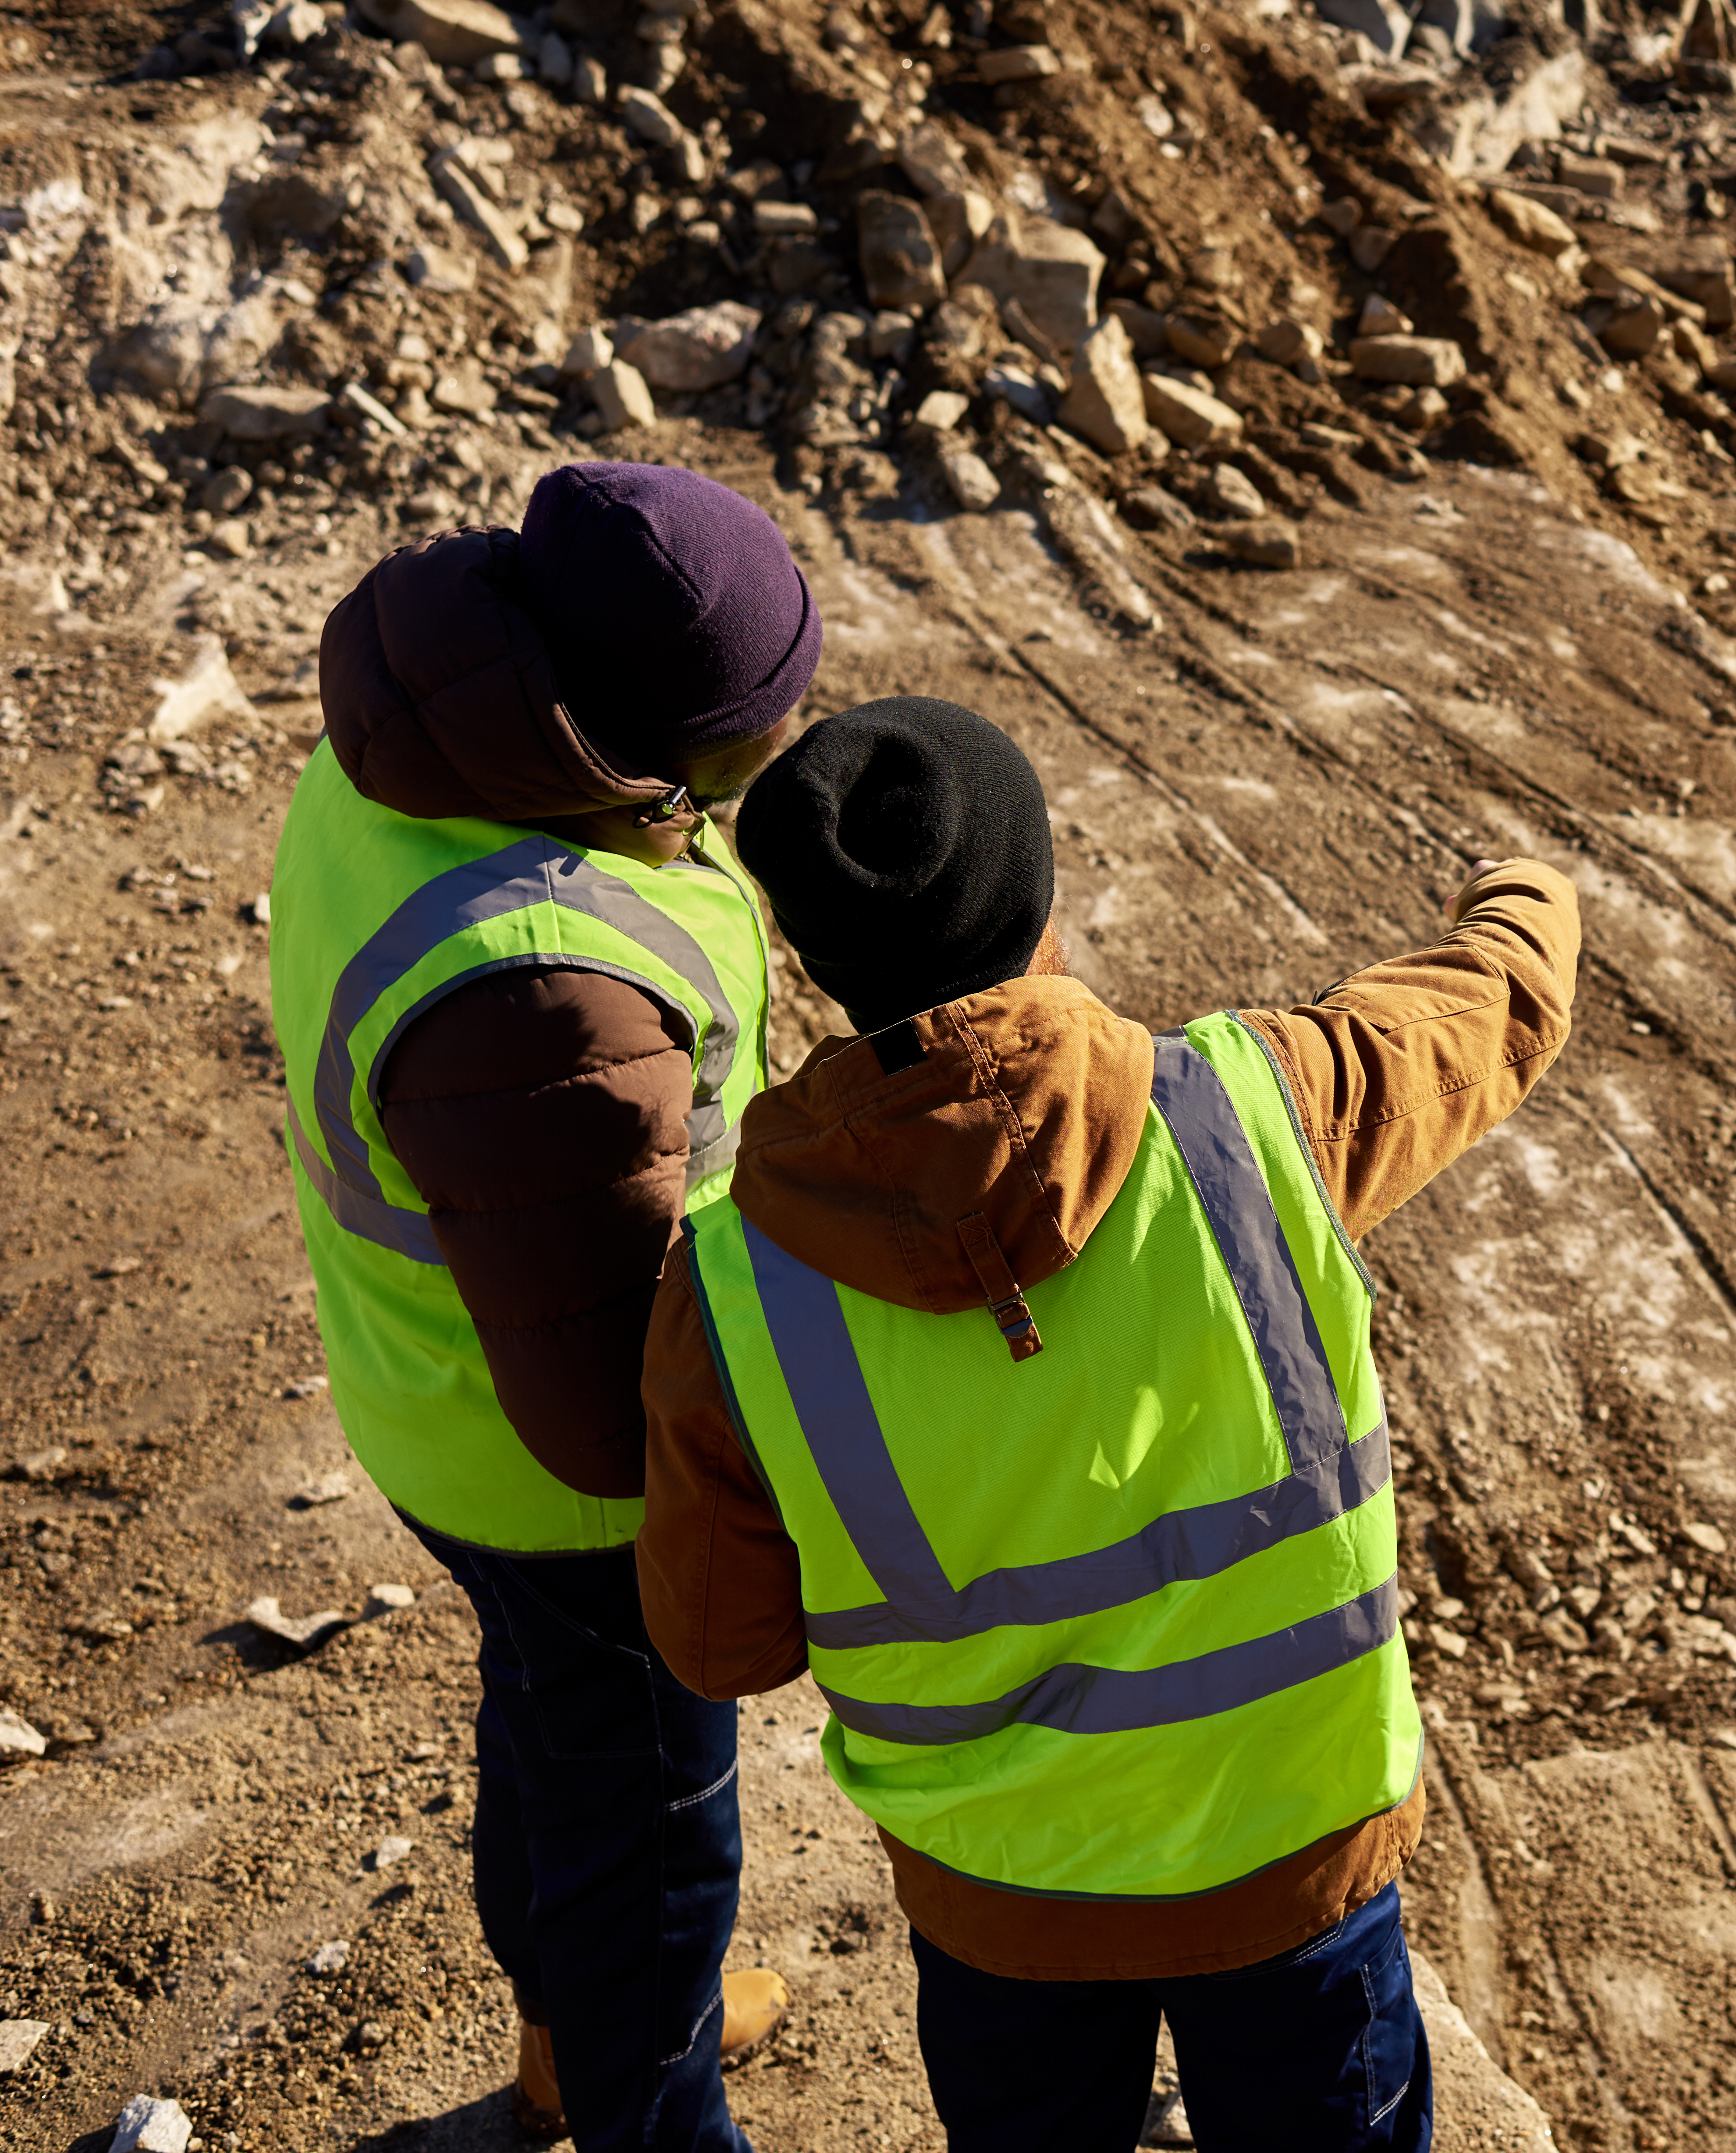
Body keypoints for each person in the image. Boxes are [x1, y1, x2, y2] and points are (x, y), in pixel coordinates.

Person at [636, 697, 1582, 2150]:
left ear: (818, 968)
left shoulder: (735, 1287)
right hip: (1296, 1872)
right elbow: (1488, 1010)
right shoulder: (1264, 1112)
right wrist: (1522, 889)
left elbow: (721, 1645)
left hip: (1002, 1912)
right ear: (1044, 908)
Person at [270, 462, 818, 2147]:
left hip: (439, 1386)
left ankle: (580, 2035)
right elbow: (601, 1415)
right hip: (560, 1469)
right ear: (634, 752)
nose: (770, 772)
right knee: (650, 1811)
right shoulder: (540, 993)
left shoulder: (435, 735)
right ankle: (644, 2081)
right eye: (746, 751)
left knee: (557, 1728)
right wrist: (753, 1503)